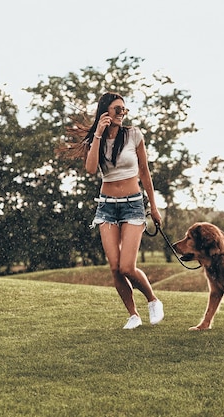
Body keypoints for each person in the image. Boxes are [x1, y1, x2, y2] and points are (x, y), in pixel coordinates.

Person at [60, 92, 164, 329]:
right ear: (105, 111)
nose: (122, 113)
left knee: (128, 266)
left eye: (124, 110)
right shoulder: (94, 140)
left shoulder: (133, 134)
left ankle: (152, 300)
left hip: (133, 204)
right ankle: (133, 314)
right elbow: (90, 169)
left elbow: (145, 173)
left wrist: (154, 208)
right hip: (107, 206)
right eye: (117, 109)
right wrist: (97, 134)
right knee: (115, 268)